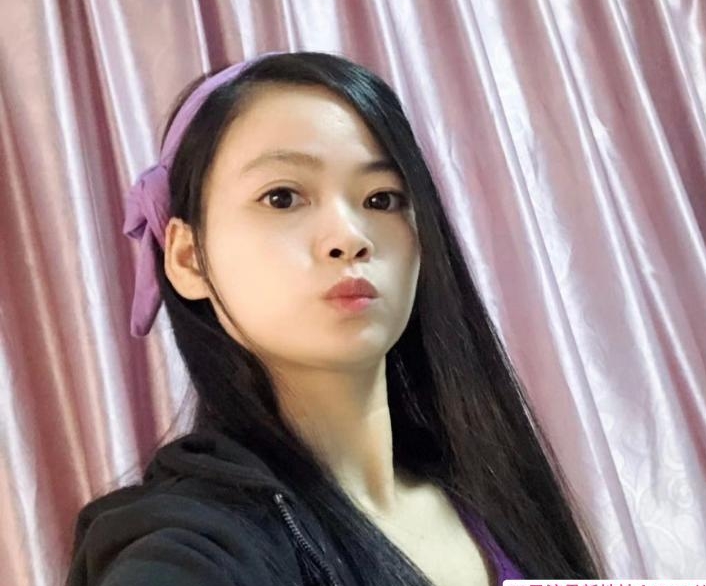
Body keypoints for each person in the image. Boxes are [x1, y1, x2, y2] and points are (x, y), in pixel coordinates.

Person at [65, 51, 604, 585]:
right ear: (188, 259)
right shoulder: (195, 536)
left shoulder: (497, 492)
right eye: (282, 197)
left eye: (382, 199)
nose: (350, 236)